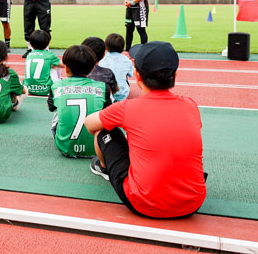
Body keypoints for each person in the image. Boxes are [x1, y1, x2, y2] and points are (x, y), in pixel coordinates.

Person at [84, 41, 207, 218]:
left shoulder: (127, 108)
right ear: (176, 75)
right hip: (192, 203)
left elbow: (90, 124)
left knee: (104, 130)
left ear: (137, 75)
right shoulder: (190, 105)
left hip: (144, 204)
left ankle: (103, 168)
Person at [48, 45, 112, 158]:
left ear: (66, 68)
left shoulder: (56, 86)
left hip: (65, 148)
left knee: (58, 110)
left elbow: (51, 107)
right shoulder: (102, 87)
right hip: (96, 148)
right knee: (105, 112)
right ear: (92, 68)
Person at [23, 30, 63, 96]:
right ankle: (57, 83)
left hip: (29, 89)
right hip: (45, 90)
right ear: (48, 44)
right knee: (55, 65)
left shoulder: (29, 55)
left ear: (31, 44)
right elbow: (63, 65)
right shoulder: (49, 55)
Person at [99, 33, 134, 102]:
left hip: (107, 94)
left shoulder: (102, 61)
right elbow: (131, 74)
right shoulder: (127, 60)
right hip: (123, 94)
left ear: (106, 48)